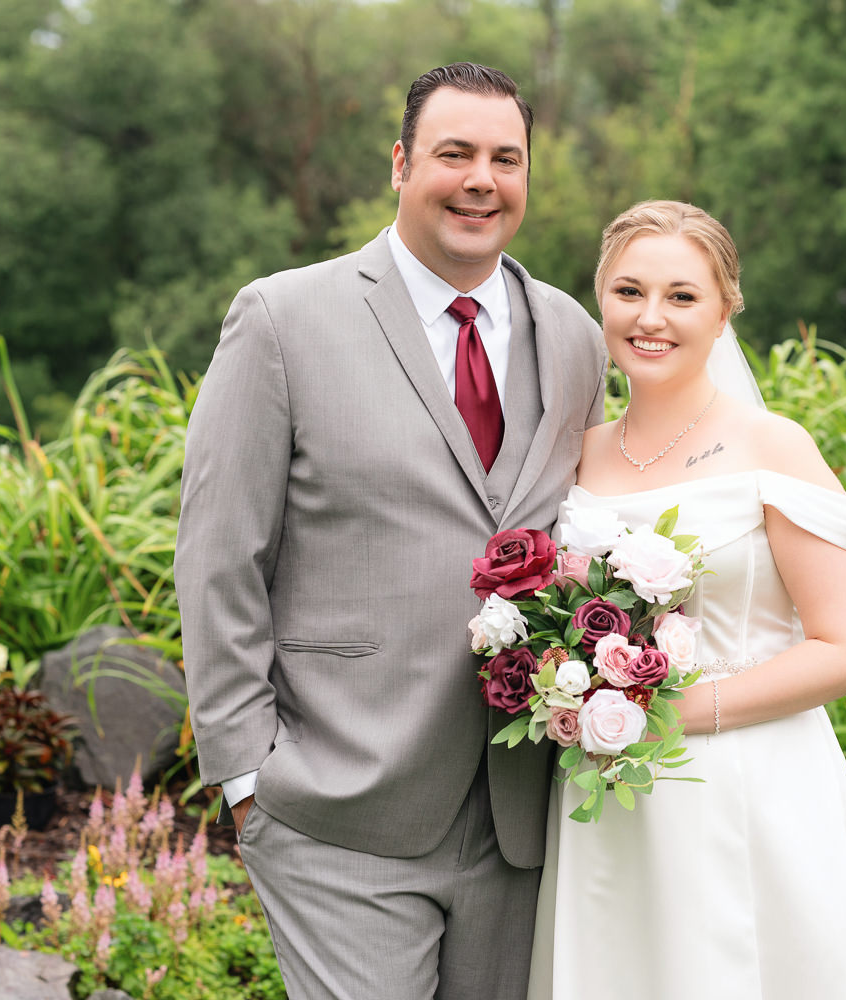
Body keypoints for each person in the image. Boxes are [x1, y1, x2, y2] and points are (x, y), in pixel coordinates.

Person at [175, 63, 607, 1000]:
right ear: (403, 163)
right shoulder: (283, 319)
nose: (480, 180)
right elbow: (219, 559)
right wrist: (247, 776)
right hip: (338, 808)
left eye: (506, 158)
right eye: (454, 154)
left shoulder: (574, 336)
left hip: (522, 819)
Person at [527, 201, 846, 999]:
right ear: (600, 299)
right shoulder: (577, 455)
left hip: (752, 785)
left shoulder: (773, 446)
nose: (650, 318)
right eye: (629, 292)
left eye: (681, 296)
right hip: (612, 797)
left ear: (724, 309)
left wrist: (676, 714)